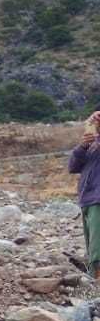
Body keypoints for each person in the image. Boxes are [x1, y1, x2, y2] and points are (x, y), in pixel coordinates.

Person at [71, 111, 100, 276]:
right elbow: (73, 167)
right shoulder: (90, 143)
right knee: (91, 242)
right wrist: (82, 146)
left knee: (97, 244)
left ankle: (96, 277)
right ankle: (93, 275)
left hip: (98, 199)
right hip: (86, 199)